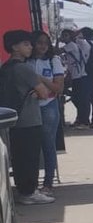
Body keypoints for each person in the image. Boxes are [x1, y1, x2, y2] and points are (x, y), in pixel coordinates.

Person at [0, 30, 54, 205]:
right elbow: (44, 93)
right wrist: (37, 89)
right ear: (14, 47)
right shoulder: (24, 68)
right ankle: (29, 192)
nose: (30, 47)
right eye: (26, 44)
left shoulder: (5, 67)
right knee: (30, 157)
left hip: (12, 120)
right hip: (29, 119)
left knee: (19, 157)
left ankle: (24, 190)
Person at [29, 31, 65, 195]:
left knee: (48, 145)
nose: (42, 46)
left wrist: (41, 80)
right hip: (29, 109)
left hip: (48, 106)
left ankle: (48, 183)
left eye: (45, 43)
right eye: (39, 43)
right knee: (31, 146)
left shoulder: (53, 61)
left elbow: (58, 88)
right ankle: (30, 183)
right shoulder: (25, 61)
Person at [60, 28, 92, 128]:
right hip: (76, 77)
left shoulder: (71, 45)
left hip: (80, 77)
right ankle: (81, 119)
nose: (63, 37)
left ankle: (84, 121)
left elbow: (56, 51)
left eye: (66, 35)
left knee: (79, 99)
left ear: (70, 37)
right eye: (63, 35)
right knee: (76, 98)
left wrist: (57, 41)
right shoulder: (72, 45)